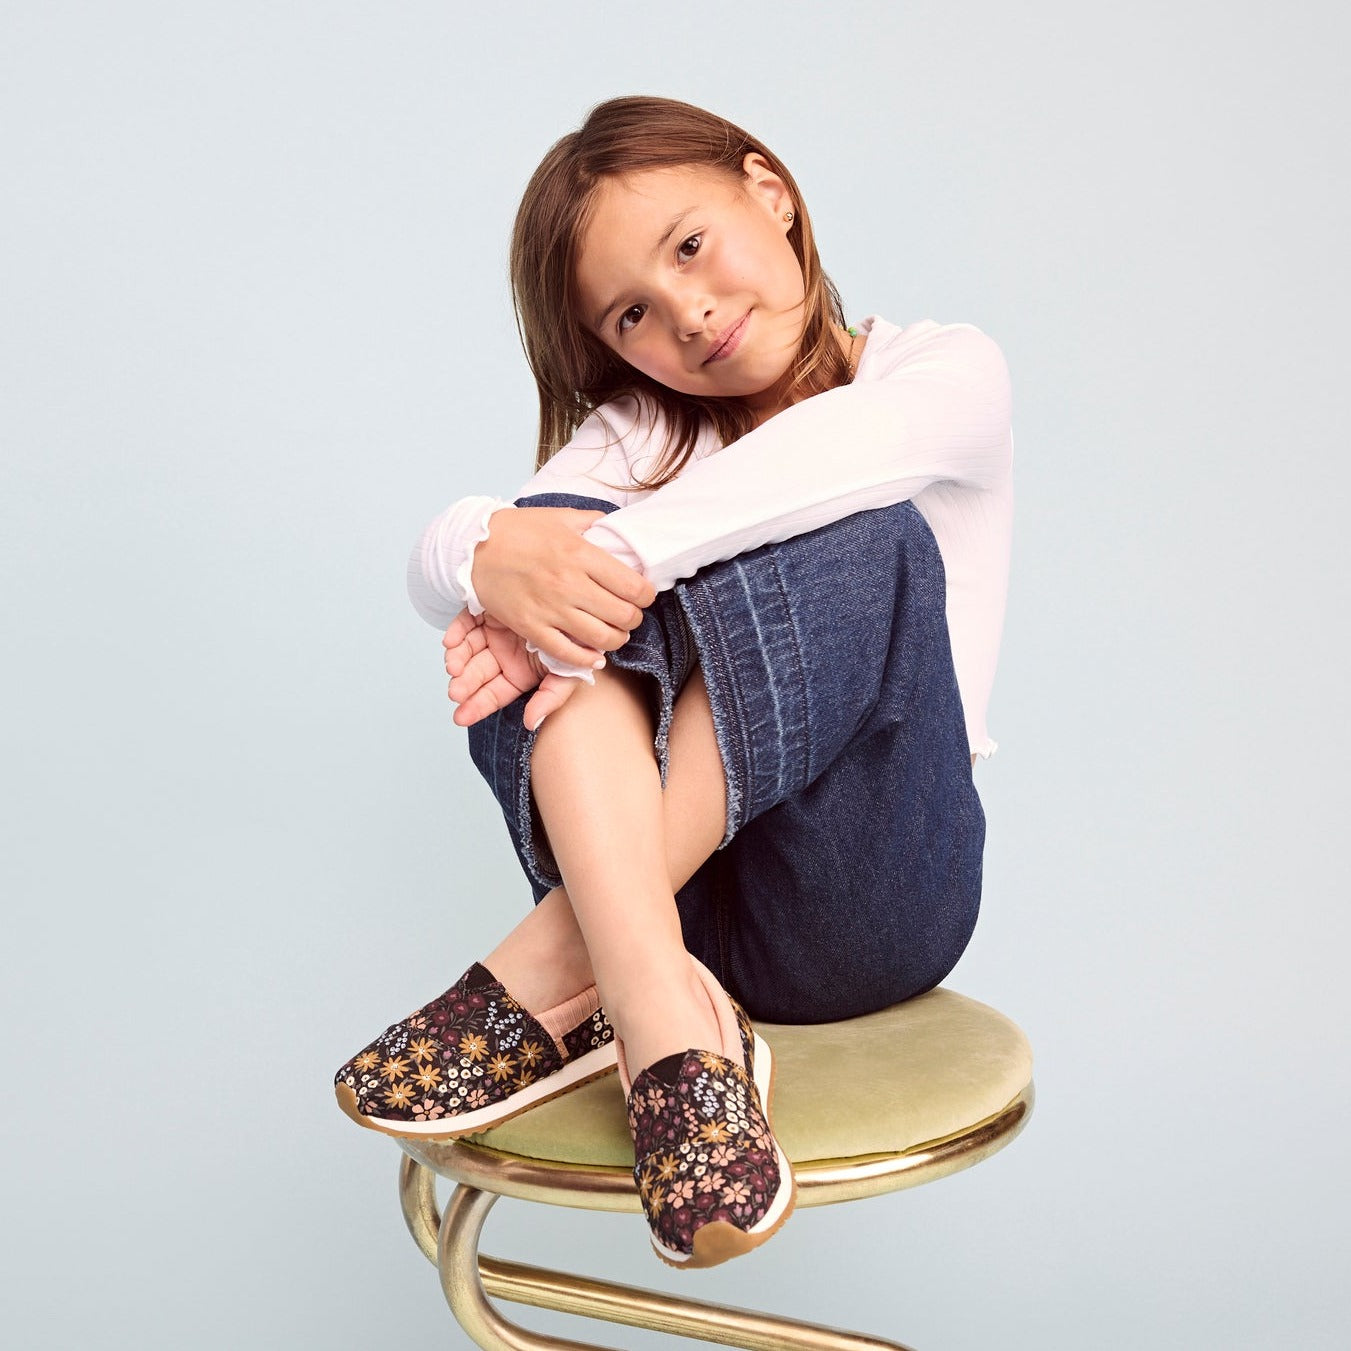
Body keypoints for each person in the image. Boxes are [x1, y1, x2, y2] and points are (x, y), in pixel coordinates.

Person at [334, 95, 1014, 1270]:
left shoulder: (942, 373)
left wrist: (555, 583)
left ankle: (554, 970)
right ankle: (661, 1020)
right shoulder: (639, 437)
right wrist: (484, 552)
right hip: (670, 911)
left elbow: (825, 460)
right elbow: (455, 556)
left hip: (869, 898)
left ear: (771, 190)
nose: (687, 313)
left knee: (867, 538)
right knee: (550, 536)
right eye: (632, 313)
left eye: (690, 245)